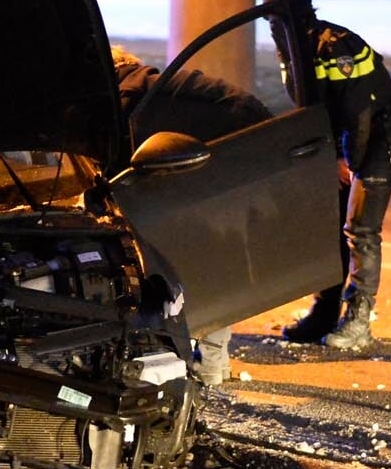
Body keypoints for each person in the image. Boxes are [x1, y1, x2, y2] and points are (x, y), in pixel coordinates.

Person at [268, 0, 391, 351]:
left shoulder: (334, 46)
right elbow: (314, 109)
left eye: (277, 20)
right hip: (347, 142)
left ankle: (358, 322)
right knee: (332, 226)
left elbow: (358, 112)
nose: (272, 30)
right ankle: (325, 313)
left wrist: (346, 160)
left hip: (379, 140)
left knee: (361, 229)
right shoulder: (298, 49)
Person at [111, 45, 271, 385]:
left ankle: (209, 364)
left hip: (213, 174)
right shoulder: (155, 85)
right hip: (223, 166)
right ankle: (215, 362)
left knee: (199, 265)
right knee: (213, 264)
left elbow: (118, 163)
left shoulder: (127, 96)